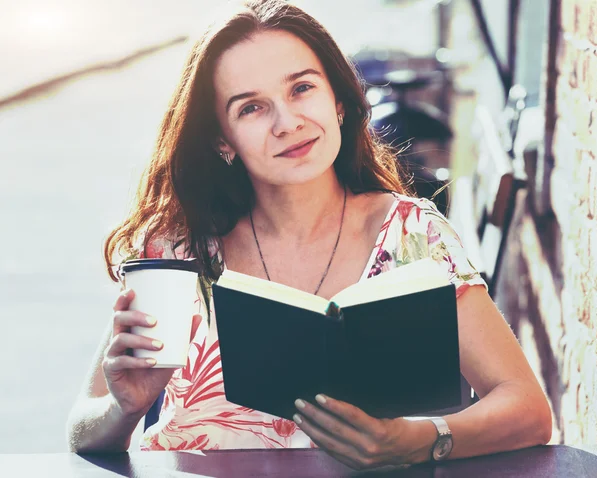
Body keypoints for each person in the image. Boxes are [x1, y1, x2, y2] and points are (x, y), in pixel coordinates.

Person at [66, 0, 552, 469]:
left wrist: (417, 441)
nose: (288, 123)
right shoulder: (175, 247)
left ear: (338, 101)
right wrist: (122, 409)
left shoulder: (412, 235)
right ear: (222, 140)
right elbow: (81, 431)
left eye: (302, 89)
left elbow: (528, 408)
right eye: (251, 108)